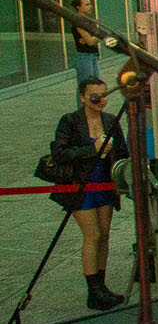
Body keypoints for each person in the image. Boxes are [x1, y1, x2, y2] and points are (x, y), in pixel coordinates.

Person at [47, 75, 128, 311]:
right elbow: (60, 153)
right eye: (94, 96)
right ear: (82, 97)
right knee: (92, 234)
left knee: (104, 233)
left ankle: (101, 287)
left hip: (104, 181)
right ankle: (93, 289)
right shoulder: (70, 121)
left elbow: (122, 152)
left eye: (104, 95)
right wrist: (91, 149)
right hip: (80, 184)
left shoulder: (111, 120)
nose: (99, 100)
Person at [69, 0, 99, 84]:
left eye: (90, 4)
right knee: (86, 85)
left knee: (94, 84)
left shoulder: (88, 20)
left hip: (93, 55)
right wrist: (98, 37)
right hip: (84, 56)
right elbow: (90, 41)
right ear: (79, 7)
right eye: (87, 5)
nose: (90, 7)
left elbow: (94, 38)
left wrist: (93, 38)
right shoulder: (78, 21)